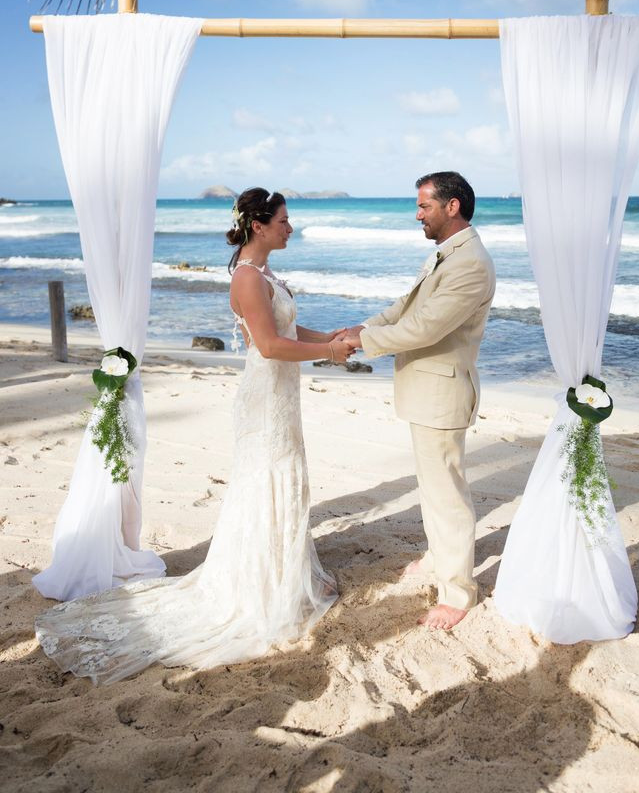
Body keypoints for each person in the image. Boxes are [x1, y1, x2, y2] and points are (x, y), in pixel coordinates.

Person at [35, 189, 353, 684]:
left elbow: (287, 327)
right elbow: (268, 346)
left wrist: (328, 337)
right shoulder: (248, 279)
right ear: (259, 226)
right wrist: (328, 356)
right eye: (285, 220)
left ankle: (288, 569)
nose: (292, 227)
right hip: (266, 395)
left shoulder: (264, 275)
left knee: (283, 473)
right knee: (266, 479)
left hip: (279, 396)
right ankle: (261, 585)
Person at [341, 172, 495, 631]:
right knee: (433, 485)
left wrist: (363, 341)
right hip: (426, 390)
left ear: (452, 207)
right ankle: (438, 557)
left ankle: (457, 593)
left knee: (447, 494)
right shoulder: (447, 255)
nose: (417, 213)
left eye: (424, 205)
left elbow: (425, 328)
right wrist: (358, 328)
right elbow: (404, 308)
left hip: (442, 392)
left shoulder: (470, 263)